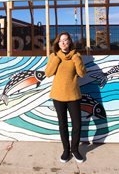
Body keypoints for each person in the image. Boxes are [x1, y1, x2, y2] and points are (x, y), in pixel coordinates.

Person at [45, 32, 86, 163]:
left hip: (73, 95)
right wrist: (57, 59)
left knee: (77, 124)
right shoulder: (54, 56)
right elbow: (48, 73)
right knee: (62, 125)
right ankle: (66, 150)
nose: (63, 43)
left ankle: (75, 150)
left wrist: (76, 60)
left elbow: (82, 74)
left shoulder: (76, 55)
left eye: (66, 40)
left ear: (69, 42)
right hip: (58, 96)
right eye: (61, 41)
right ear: (58, 43)